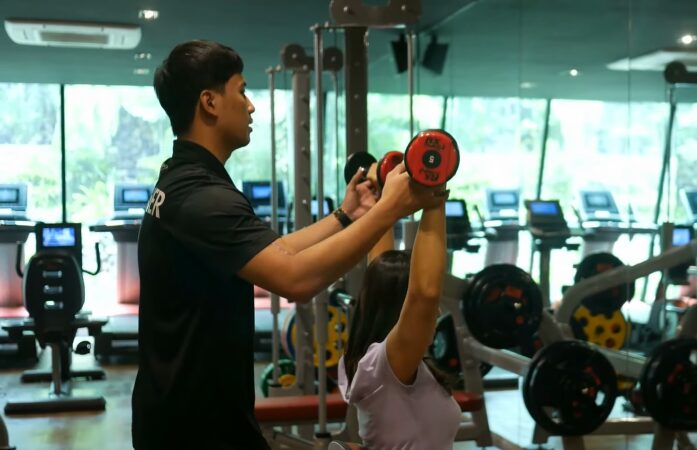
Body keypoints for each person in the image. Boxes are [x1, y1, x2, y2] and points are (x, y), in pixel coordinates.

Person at [133, 40, 432, 450]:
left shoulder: (184, 180)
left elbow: (275, 253)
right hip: (197, 429)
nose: (251, 106)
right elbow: (295, 278)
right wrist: (389, 211)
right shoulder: (202, 198)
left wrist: (349, 215)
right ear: (210, 102)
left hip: (186, 415)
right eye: (241, 91)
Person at [339, 174, 459, 449]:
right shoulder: (386, 367)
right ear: (399, 309)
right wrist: (434, 198)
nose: (436, 310)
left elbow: (381, 272)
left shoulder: (369, 360)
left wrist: (382, 198)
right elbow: (424, 294)